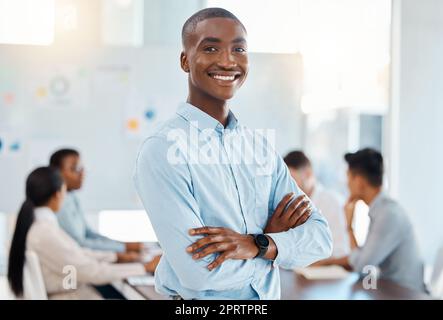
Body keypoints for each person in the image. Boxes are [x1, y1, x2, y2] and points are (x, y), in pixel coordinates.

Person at [134, 8, 332, 300]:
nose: (227, 61)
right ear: (185, 60)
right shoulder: (163, 149)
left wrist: (258, 243)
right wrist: (275, 248)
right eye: (211, 48)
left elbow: (320, 239)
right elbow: (199, 272)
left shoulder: (260, 148)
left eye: (238, 49)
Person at [7, 167, 159, 299]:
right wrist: (143, 268)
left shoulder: (40, 226)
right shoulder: (44, 232)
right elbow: (89, 271)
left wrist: (115, 256)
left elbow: (77, 254)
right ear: (57, 194)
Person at [322, 148, 426, 292]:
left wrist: (349, 227)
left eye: (348, 177)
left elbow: (362, 267)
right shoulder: (381, 211)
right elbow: (362, 259)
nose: (346, 184)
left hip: (406, 294)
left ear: (359, 181)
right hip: (390, 290)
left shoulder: (388, 215)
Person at [49, 149, 143, 261]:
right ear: (57, 172)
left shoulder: (72, 197)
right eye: (75, 169)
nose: (82, 173)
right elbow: (79, 244)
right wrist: (122, 247)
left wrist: (122, 245)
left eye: (81, 168)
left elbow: (88, 233)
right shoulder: (58, 203)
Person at [284, 151, 350, 259]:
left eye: (293, 180)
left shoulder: (332, 202)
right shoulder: (290, 202)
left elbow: (341, 251)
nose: (289, 186)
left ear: (308, 173)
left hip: (324, 272)